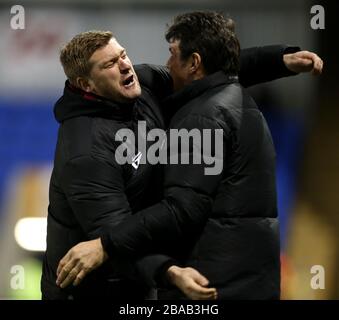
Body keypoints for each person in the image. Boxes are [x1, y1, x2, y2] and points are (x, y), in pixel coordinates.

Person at [53, 12, 323, 300]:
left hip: (138, 277)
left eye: (123, 54)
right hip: (90, 289)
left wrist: (277, 61)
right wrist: (168, 270)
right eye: (109, 63)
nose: (124, 65)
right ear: (86, 84)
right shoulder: (85, 151)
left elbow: (206, 68)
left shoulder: (142, 84)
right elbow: (107, 233)